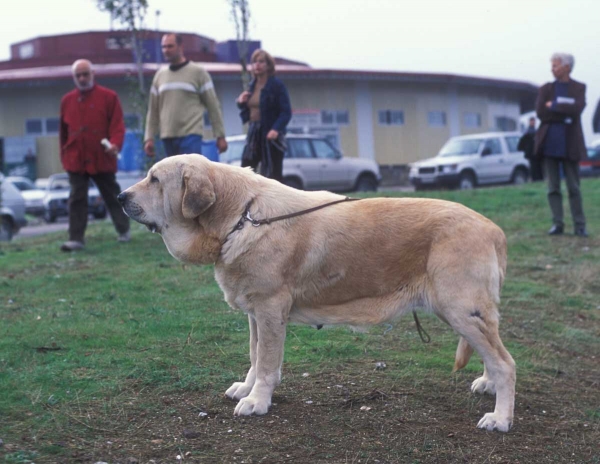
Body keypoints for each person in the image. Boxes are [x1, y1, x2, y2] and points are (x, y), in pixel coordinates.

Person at [59, 59, 130, 252]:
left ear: (93, 73)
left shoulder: (109, 97)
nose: (82, 78)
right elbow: (63, 134)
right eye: (78, 75)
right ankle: (76, 239)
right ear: (74, 77)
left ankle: (124, 229)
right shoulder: (67, 101)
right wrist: (65, 157)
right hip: (76, 158)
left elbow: (118, 126)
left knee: (112, 194)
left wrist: (115, 144)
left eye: (85, 74)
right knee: (76, 198)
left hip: (102, 157)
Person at [144, 33, 227, 158]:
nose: (166, 50)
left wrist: (220, 135)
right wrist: (149, 137)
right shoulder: (159, 76)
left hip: (191, 135)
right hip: (167, 137)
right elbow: (153, 110)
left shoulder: (198, 73)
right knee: (172, 177)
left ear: (181, 47)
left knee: (191, 175)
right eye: (164, 47)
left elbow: (213, 106)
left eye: (170, 46)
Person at [534, 52, 588, 237]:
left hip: (570, 144)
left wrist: (554, 105)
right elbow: (541, 113)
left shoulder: (579, 87)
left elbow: (578, 109)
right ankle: (558, 224)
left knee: (574, 187)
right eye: (552, 65)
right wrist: (565, 110)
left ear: (566, 67)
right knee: (553, 188)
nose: (552, 68)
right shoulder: (545, 89)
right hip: (549, 144)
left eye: (555, 65)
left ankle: (579, 225)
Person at [236, 49, 292, 181]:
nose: (257, 65)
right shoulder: (252, 85)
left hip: (270, 134)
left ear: (268, 65)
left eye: (261, 62)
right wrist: (240, 102)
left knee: (272, 174)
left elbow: (286, 112)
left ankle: (276, 201)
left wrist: (276, 129)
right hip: (254, 131)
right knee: (246, 169)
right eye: (254, 62)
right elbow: (248, 108)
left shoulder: (277, 85)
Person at [517, 117, 544, 181]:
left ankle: (538, 178)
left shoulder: (535, 131)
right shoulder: (527, 133)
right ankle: (535, 178)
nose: (533, 122)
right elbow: (522, 143)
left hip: (536, 153)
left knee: (538, 167)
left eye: (533, 121)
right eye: (531, 121)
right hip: (531, 153)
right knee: (533, 167)